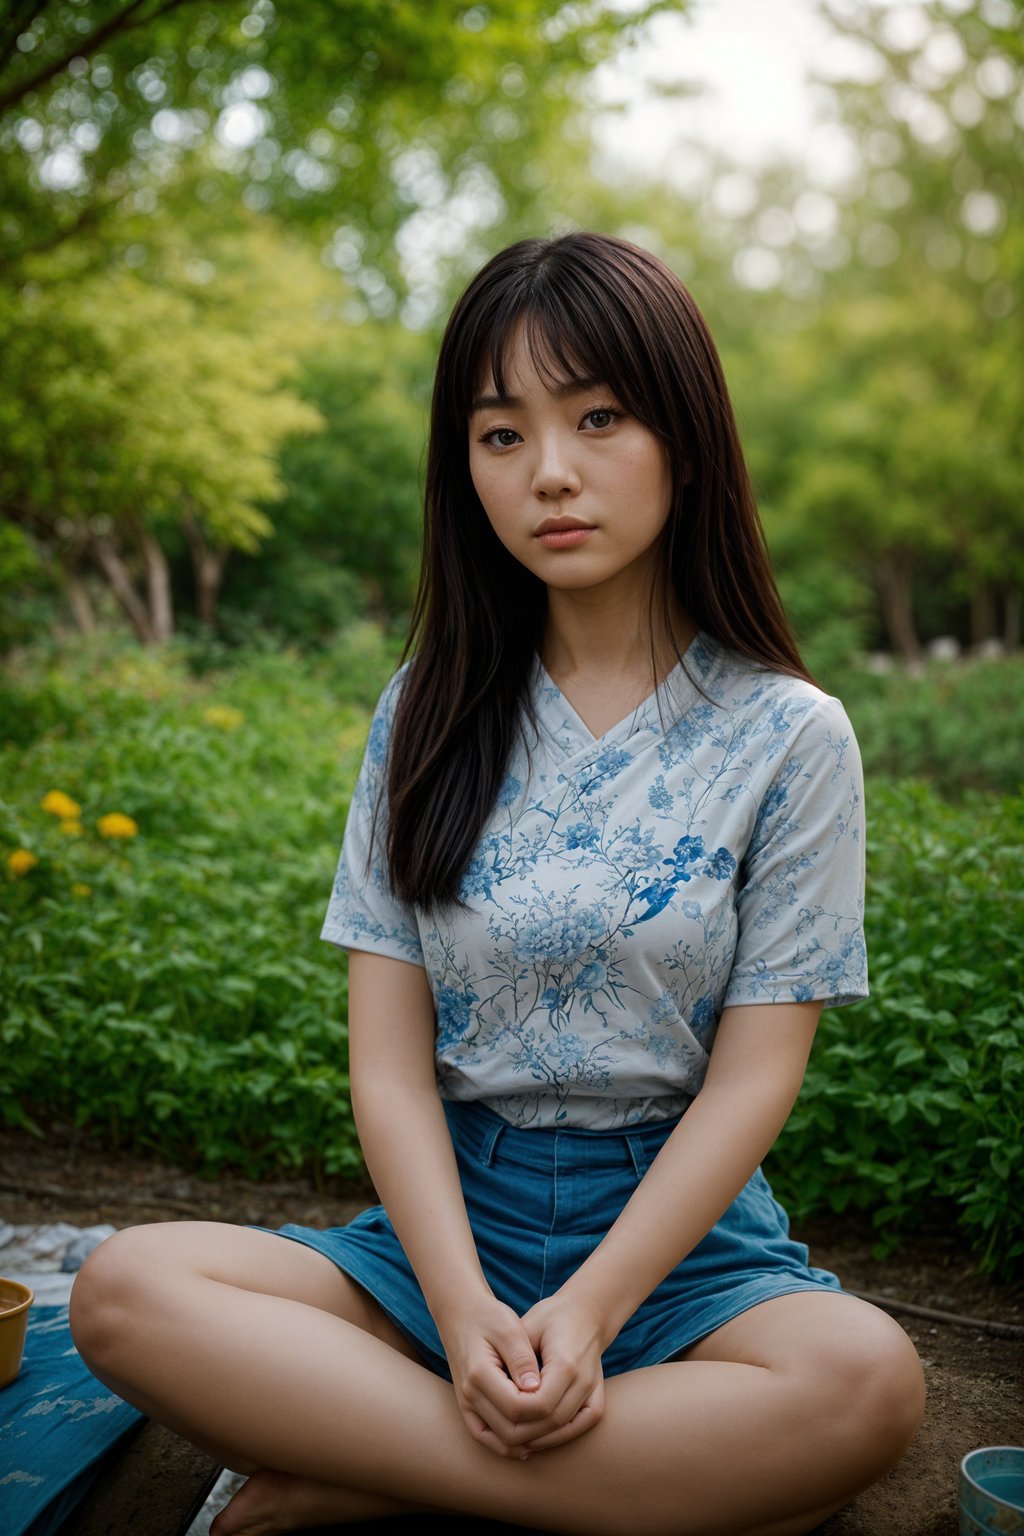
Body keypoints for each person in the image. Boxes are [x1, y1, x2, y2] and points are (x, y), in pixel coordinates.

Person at [70, 231, 925, 1536]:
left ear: (684, 438)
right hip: (440, 1235)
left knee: (866, 1381)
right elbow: (390, 1068)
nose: (552, 474)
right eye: (501, 435)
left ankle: (361, 1470)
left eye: (597, 418)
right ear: (463, 464)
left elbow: (758, 1078)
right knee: (126, 1289)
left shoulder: (788, 734)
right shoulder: (427, 709)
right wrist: (463, 1308)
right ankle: (577, 1470)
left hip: (682, 1248)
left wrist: (591, 1311)